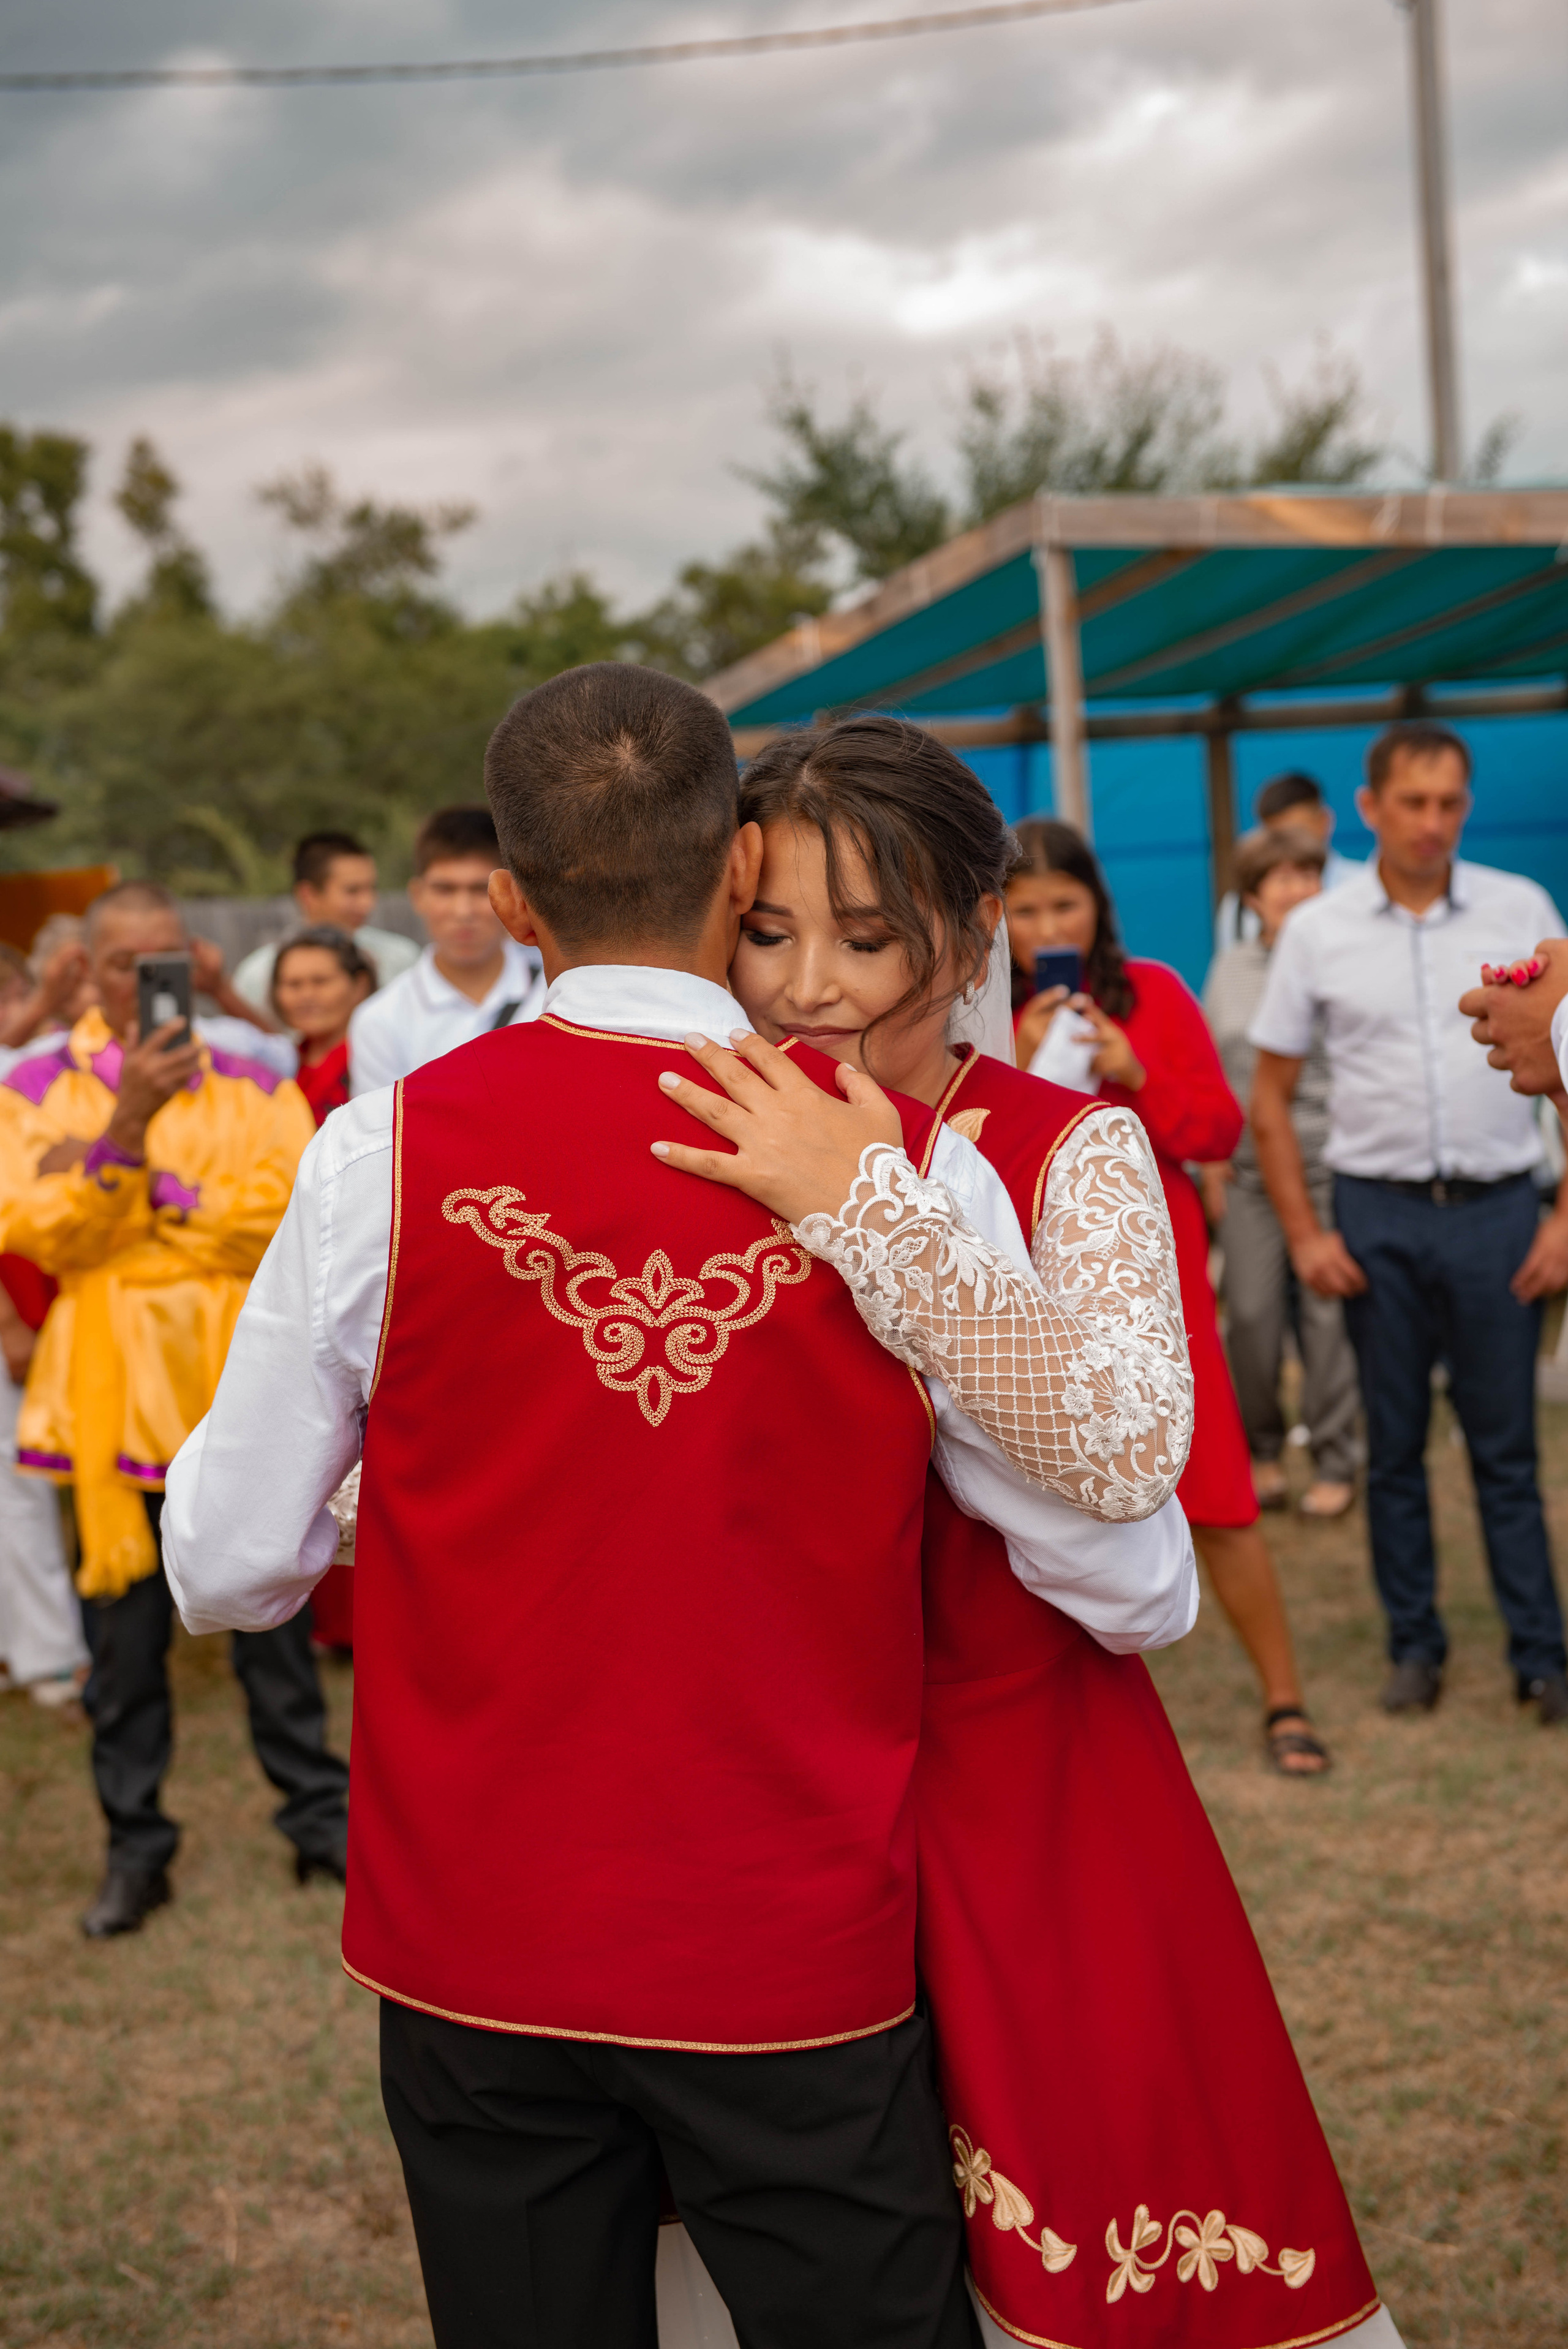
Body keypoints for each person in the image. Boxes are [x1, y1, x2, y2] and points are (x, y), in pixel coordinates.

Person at [165, 662, 1199, 2349]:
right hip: (786, 1937)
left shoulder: (386, 1149)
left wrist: (384, 1479)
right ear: (738, 868)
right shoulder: (893, 1167)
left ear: (506, 899)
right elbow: (1116, 1558)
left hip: (470, 1934)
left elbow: (225, 1563)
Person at [659, 715, 1395, 2349]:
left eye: (869, 936)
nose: (808, 987)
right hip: (762, 1782)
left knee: (1095, 2202)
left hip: (1023, 1765)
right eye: (767, 931)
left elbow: (1135, 1442)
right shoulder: (686, 1125)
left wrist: (863, 1205)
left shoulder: (1076, 1147)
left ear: (975, 931)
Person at [0, 881, 351, 1935]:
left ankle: (318, 1825)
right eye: (121, 965)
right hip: (106, 1388)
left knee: (273, 1628)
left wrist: (145, 1193)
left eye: (163, 962)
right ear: (87, 973)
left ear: (194, 965)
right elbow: (39, 1228)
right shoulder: (33, 1088)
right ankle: (135, 1848)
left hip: (235, 1384)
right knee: (125, 1641)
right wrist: (127, 1126)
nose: (140, 983)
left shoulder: (255, 1076)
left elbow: (286, 1218)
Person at [1250, 721, 1568, 1725]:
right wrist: (1306, 1235)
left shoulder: (1524, 910)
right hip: (1377, 1213)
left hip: (1503, 1211)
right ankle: (1414, 1648)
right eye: (1414, 802)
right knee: (1393, 1446)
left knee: (1507, 1447)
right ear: (1370, 807)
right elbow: (1271, 1095)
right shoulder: (1319, 931)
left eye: (1451, 803)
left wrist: (1562, 1217)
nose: (1433, 823)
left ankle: (1540, 1656)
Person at [1009, 818, 1331, 1773]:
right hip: (1031, 1281)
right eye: (1023, 910)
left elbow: (1219, 1130)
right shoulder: (975, 1007)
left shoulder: (1150, 992)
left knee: (1217, 1490)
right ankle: (1068, 1718)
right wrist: (1019, 1059)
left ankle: (1285, 1696)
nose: (1044, 925)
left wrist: (1133, 1071)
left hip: (1163, 1276)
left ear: (1096, 906)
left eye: (1062, 903)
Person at [1202, 827, 1360, 1518]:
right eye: (1281, 878)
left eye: (1308, 875)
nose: (1296, 890)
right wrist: (1208, 1159)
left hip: (1330, 1163)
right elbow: (1210, 1068)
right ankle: (1261, 1452)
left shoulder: (1347, 961)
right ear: (1253, 897)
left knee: (1330, 1319)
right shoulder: (1229, 968)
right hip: (1245, 1173)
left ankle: (1336, 1460)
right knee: (1253, 1317)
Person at [348, 804, 545, 1093]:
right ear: (417, 896)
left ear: (511, 895)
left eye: (480, 890)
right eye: (445, 890)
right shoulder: (379, 1022)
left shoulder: (556, 994)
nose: (463, 911)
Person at [0, 1248, 88, 1707]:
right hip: (13, 1304)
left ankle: (18, 1649)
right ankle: (49, 1652)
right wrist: (8, 1318)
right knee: (22, 1488)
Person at [232, 830, 420, 1015]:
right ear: (309, 895)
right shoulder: (258, 976)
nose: (368, 903)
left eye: (371, 889)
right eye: (353, 891)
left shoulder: (401, 959)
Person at [1212, 771, 1359, 956]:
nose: (1289, 844)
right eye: (1276, 836)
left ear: (1325, 822)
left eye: (1298, 832)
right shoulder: (1239, 907)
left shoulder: (1368, 886)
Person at [270, 927, 379, 1126]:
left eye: (320, 982)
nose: (306, 996)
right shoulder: (277, 1061)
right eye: (293, 984)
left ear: (360, 985)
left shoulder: (376, 1059)